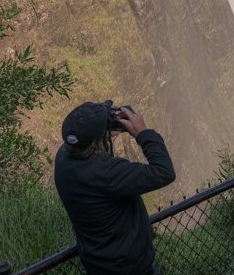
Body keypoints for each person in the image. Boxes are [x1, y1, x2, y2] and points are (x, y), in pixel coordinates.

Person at [53, 101, 176, 275]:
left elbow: (84, 144)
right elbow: (164, 172)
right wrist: (143, 133)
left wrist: (101, 131)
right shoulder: (108, 174)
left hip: (97, 264)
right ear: (97, 141)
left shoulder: (63, 159)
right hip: (131, 267)